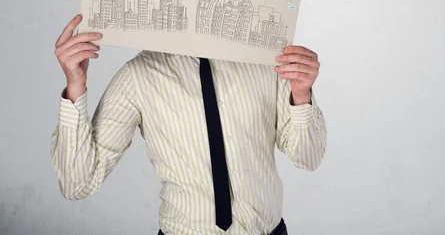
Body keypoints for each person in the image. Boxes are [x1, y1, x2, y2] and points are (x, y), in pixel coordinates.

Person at [50, 14, 327, 235]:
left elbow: (309, 158)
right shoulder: (138, 75)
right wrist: (76, 85)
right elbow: (78, 183)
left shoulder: (267, 60)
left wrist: (301, 94)